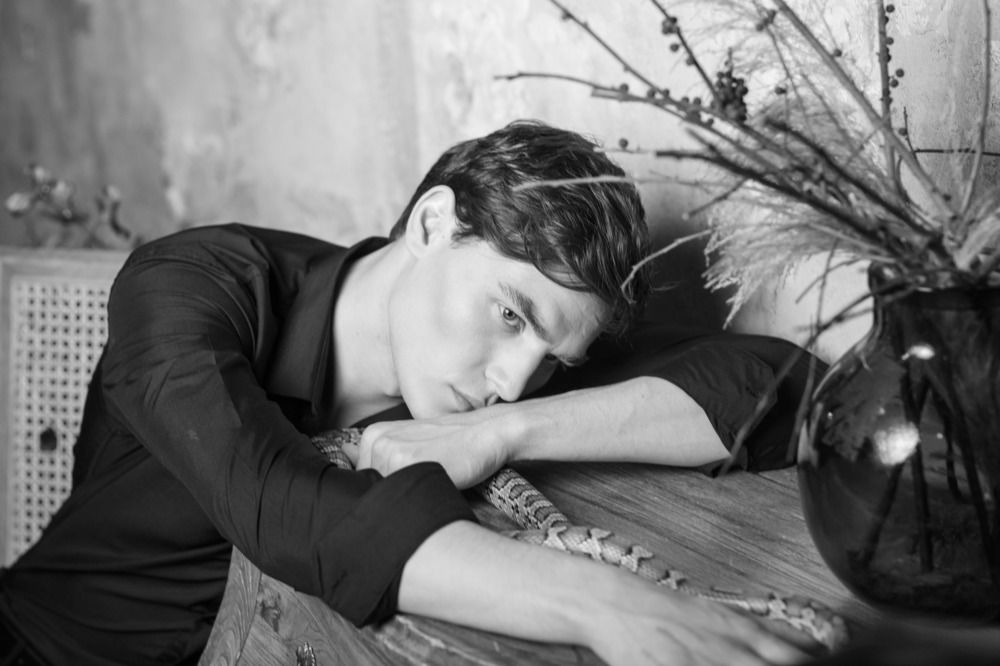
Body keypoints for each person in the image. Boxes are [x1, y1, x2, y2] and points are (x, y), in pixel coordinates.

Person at [0, 120, 820, 666]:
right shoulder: (187, 285)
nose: (512, 381)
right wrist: (614, 606)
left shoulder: (495, 384)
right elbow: (283, 507)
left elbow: (781, 387)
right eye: (510, 315)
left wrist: (506, 433)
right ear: (432, 224)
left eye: (549, 360)